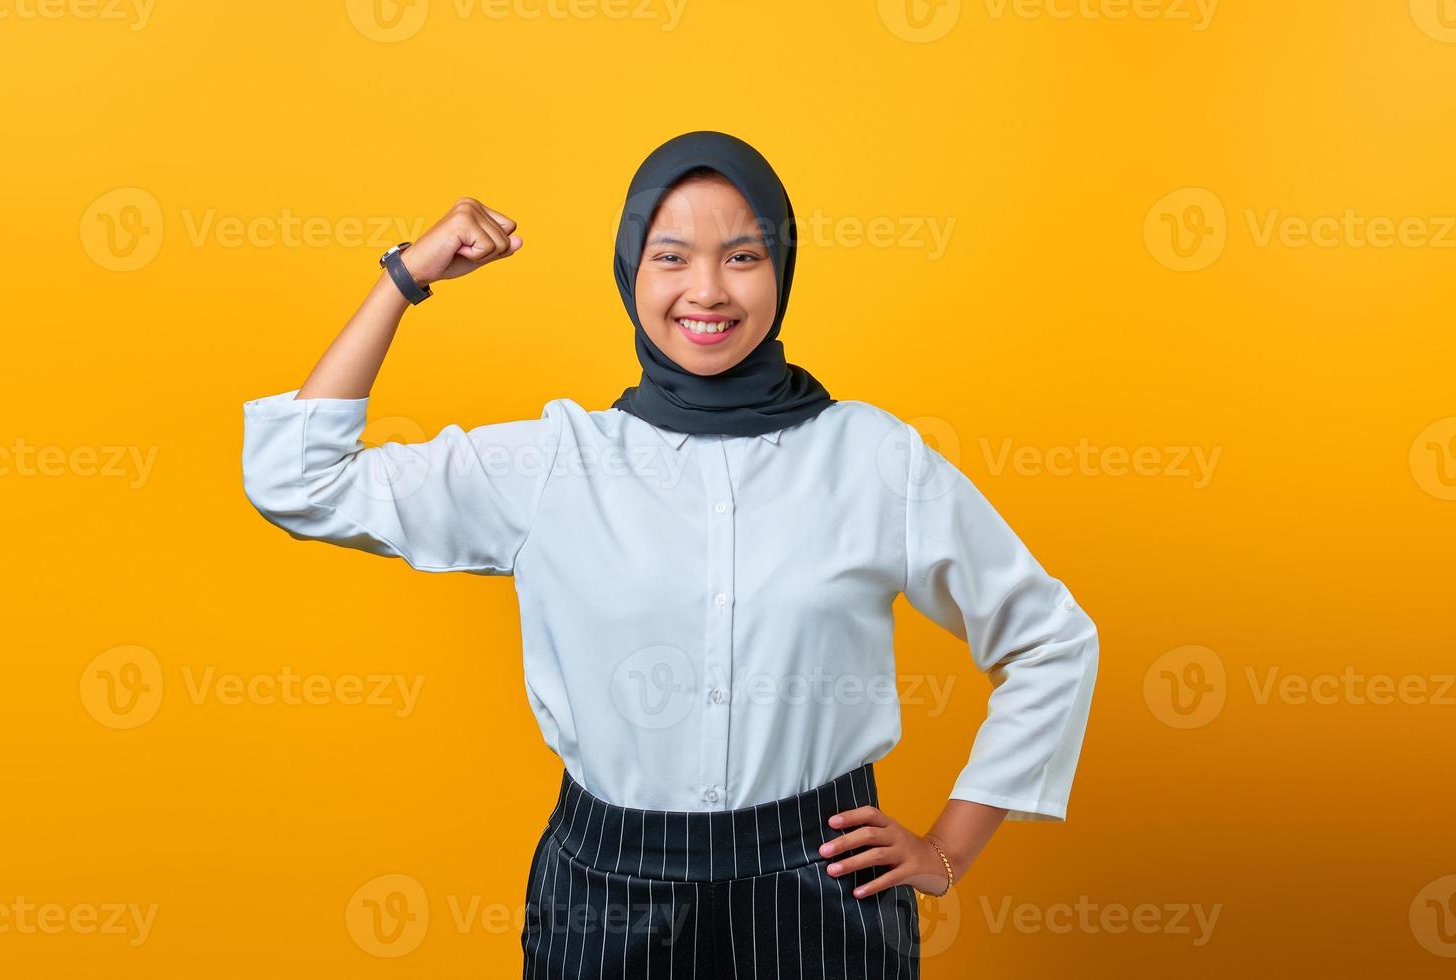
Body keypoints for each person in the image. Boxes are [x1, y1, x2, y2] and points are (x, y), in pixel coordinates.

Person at [241, 130, 1100, 978]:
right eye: (670, 256)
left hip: (822, 892)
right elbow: (296, 480)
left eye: (741, 256)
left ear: (781, 271)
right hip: (603, 895)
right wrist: (405, 277)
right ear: (629, 271)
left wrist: (949, 849)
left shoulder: (873, 457)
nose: (706, 290)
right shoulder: (553, 463)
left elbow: (1051, 642)